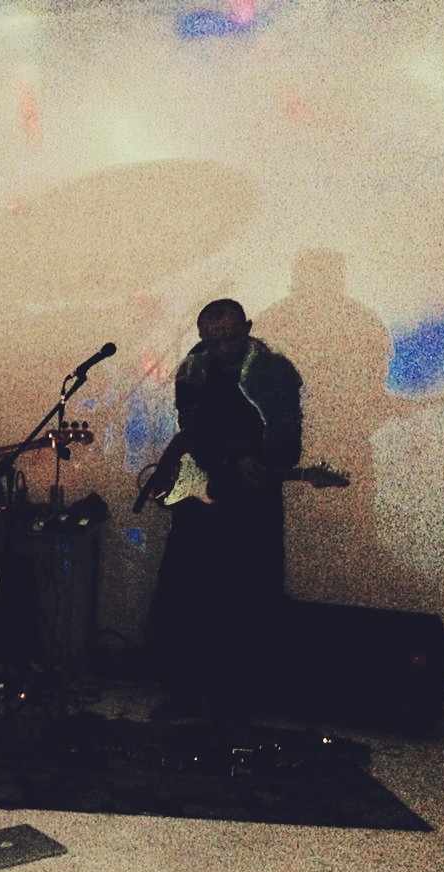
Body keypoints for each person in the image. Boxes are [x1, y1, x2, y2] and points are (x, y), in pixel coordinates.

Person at [145, 298, 303, 721]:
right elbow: (192, 432)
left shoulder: (275, 371)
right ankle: (185, 693)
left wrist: (265, 464)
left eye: (230, 338)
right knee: (187, 594)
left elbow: (289, 436)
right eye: (213, 341)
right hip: (203, 500)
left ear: (247, 328)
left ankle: (233, 700)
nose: (222, 349)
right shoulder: (193, 371)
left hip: (252, 504)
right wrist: (228, 462)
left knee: (245, 598)